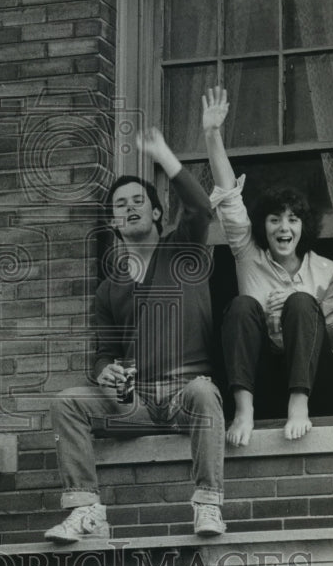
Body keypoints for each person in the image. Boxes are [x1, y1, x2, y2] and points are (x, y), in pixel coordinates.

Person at [45, 126, 228, 543]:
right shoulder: (110, 286)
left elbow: (200, 208)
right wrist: (105, 371)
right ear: (113, 221)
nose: (128, 209)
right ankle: (86, 510)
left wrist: (164, 154)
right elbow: (103, 352)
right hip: (136, 401)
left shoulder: (184, 250)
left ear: (157, 213)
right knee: (66, 403)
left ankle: (208, 504)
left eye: (138, 202)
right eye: (120, 205)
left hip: (186, 396)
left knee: (203, 391)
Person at [202, 85, 333, 446]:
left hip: (315, 387)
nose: (284, 228)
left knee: (300, 302)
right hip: (262, 381)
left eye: (293, 219)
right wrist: (212, 135)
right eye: (274, 220)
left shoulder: (328, 271)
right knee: (241, 305)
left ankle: (299, 407)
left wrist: (303, 310)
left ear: (304, 226)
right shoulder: (249, 255)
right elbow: (230, 202)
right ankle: (243, 410)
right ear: (262, 226)